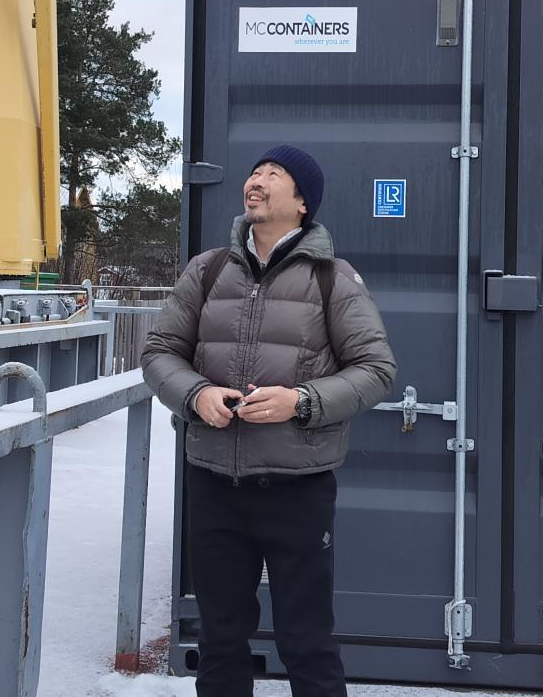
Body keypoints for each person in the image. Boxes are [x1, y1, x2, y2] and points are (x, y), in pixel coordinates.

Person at [142, 144, 397, 697]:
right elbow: (159, 352)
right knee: (220, 641)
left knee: (306, 642)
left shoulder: (332, 278)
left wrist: (300, 401)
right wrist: (196, 394)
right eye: (254, 172)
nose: (255, 181)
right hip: (214, 483)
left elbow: (376, 370)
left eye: (273, 174)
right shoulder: (207, 270)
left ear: (303, 202)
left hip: (297, 489)